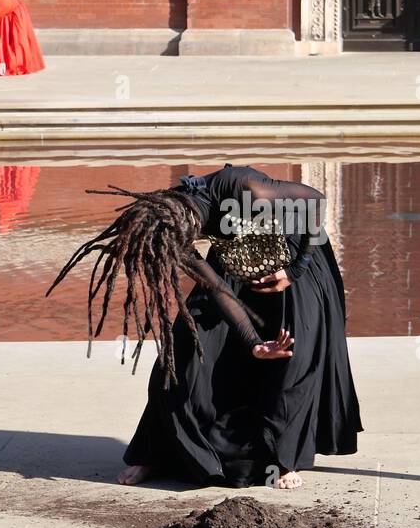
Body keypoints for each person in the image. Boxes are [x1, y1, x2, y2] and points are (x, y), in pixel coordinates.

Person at [46, 164, 362, 490]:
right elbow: (215, 289)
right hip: (235, 253)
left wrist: (295, 269)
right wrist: (252, 341)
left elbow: (315, 200)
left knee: (295, 353)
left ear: (189, 219)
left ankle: (283, 459)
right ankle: (154, 452)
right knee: (181, 353)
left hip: (298, 246)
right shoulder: (169, 231)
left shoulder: (243, 187)